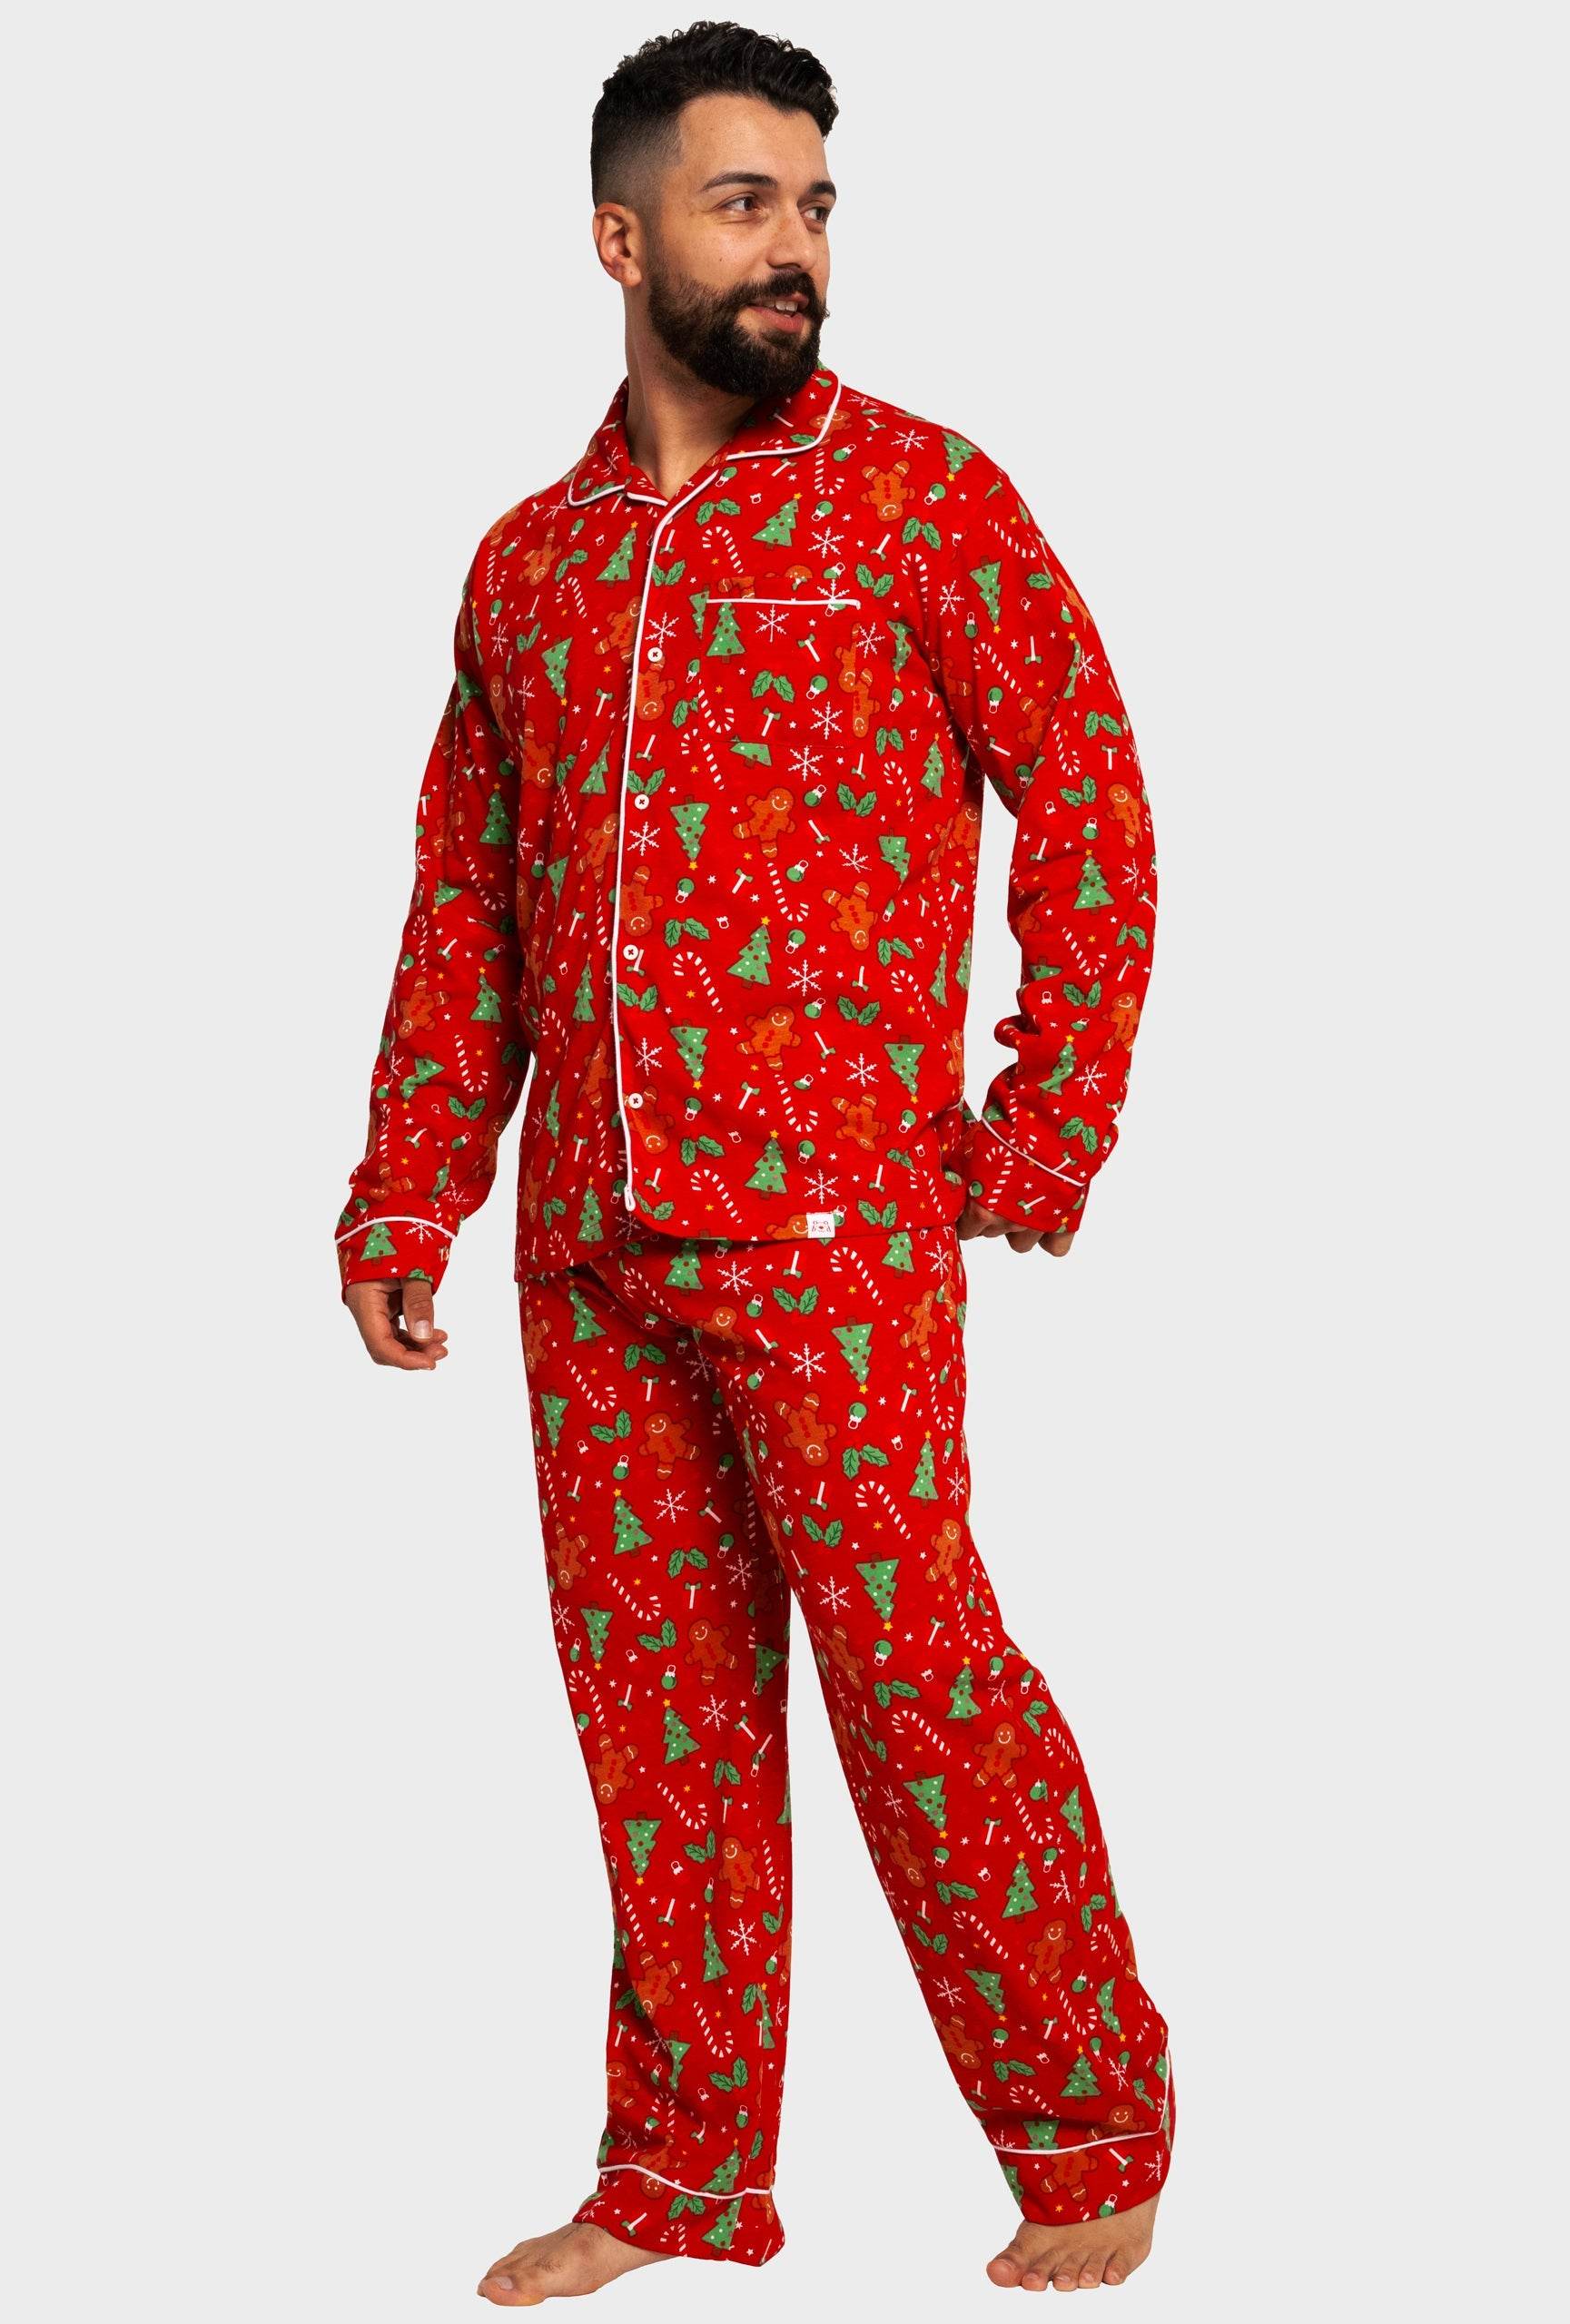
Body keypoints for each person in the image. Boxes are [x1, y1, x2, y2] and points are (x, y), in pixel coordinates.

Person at [334, 23, 1175, 2303]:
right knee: (658, 1733)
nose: (790, 246)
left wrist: (1042, 1126)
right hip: (588, 1247)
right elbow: (465, 905)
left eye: (811, 206)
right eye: (741, 205)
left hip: (835, 1237)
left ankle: (1086, 2118)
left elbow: (1089, 803)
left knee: (922, 1685)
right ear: (621, 242)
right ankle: (680, 2173)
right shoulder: (525, 563)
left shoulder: (922, 500)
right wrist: (410, 1187)